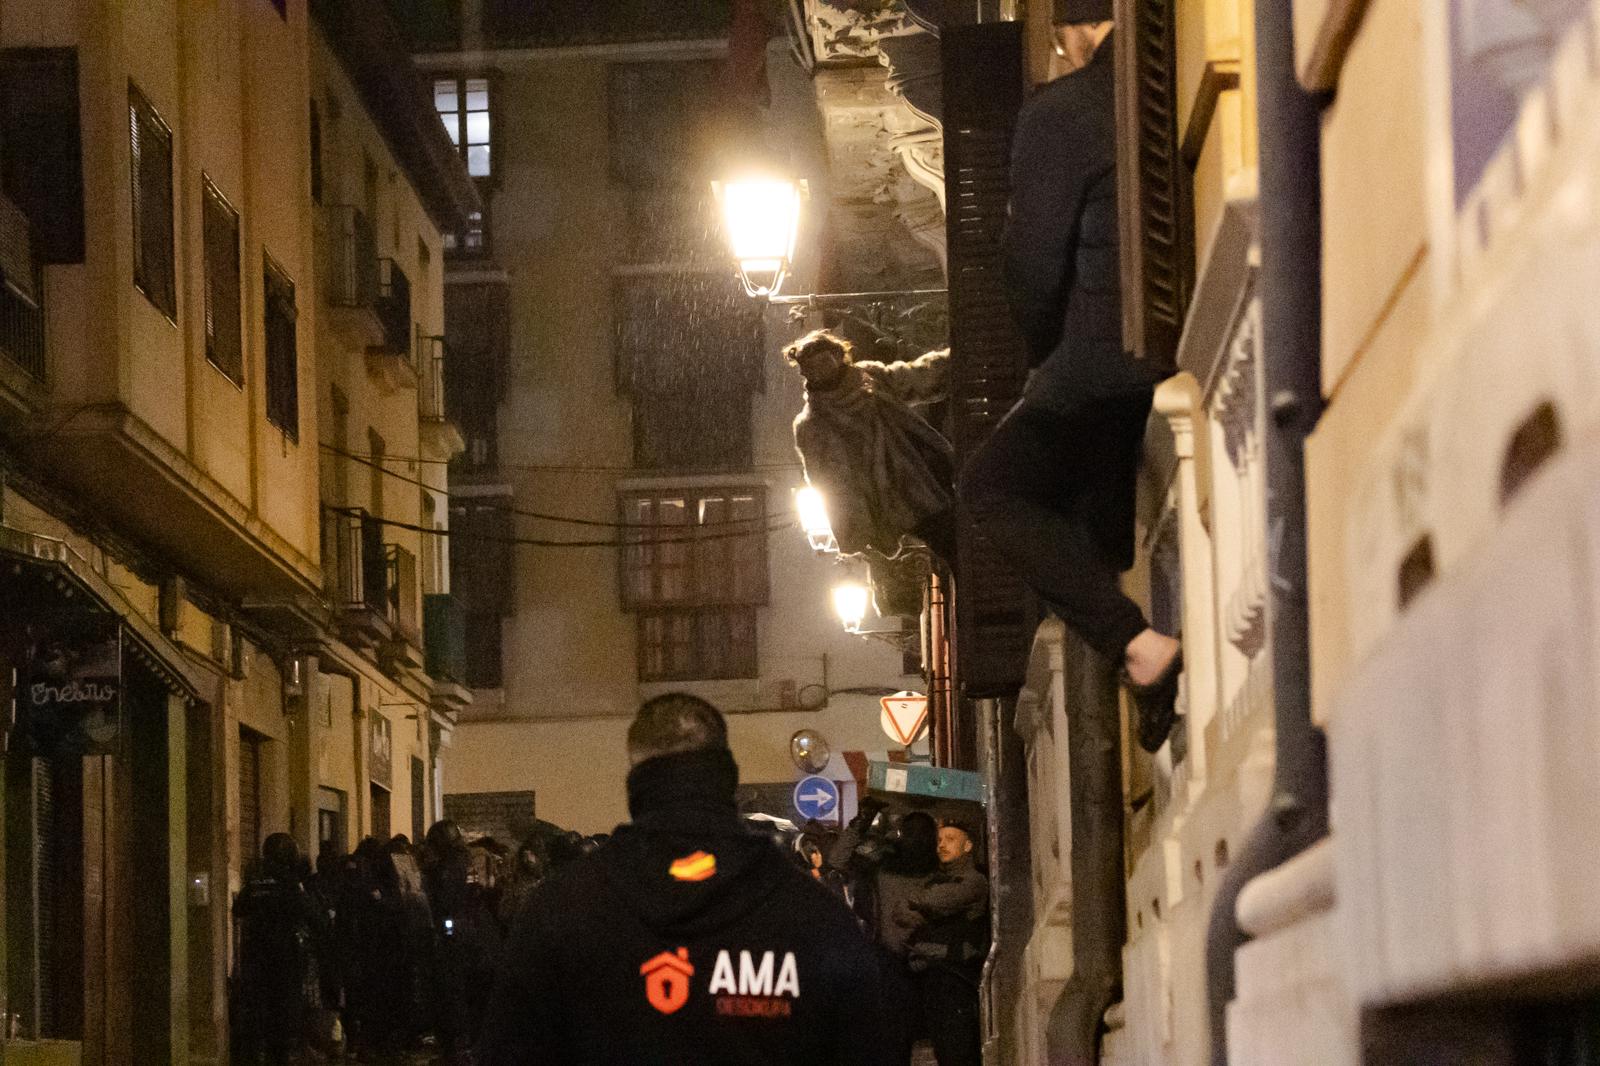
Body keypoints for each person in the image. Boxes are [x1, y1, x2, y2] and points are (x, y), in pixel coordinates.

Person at [957, 1, 1183, 753]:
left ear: (1068, 32)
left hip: (1103, 352)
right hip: (1168, 339)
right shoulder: (1175, 60)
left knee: (993, 488)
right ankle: (1138, 662)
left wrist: (1042, 355)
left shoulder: (1065, 108)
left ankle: (1143, 652)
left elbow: (1030, 265)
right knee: (1096, 524)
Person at [478, 692, 884, 1065]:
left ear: (636, 782)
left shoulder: (561, 911)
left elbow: (509, 1052)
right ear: (726, 776)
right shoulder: (811, 915)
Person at [788, 329, 958, 565]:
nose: (820, 369)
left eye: (825, 360)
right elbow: (829, 485)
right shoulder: (812, 426)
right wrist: (854, 531)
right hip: (899, 500)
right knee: (956, 544)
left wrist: (953, 360)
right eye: (812, 366)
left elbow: (914, 378)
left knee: (969, 533)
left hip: (935, 464)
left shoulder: (870, 377)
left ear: (838, 355)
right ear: (805, 372)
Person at [828, 799, 943, 1063]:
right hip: (889, 961)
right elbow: (838, 860)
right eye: (910, 833)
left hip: (931, 965)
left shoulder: (941, 868)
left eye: (922, 834)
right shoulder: (884, 861)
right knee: (894, 1043)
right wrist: (863, 819)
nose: (916, 840)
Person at [900, 822, 988, 1066]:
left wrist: (920, 903)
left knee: (957, 1052)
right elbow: (902, 913)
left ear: (967, 845)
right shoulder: (937, 880)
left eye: (950, 839)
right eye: (939, 840)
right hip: (933, 978)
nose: (942, 845)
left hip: (956, 977)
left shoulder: (973, 881)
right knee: (943, 1050)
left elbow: (938, 900)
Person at [233, 834, 323, 1066]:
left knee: (256, 1012)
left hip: (255, 958)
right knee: (282, 1015)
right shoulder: (289, 882)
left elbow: (239, 909)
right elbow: (311, 914)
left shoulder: (255, 881)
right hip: (284, 958)